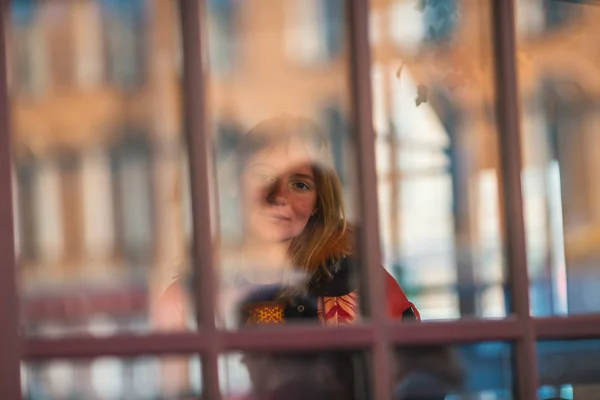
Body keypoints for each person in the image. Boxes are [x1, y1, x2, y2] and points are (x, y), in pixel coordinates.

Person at [155, 116, 420, 398]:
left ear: (320, 199)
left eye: (300, 185)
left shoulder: (362, 283)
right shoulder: (185, 300)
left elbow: (418, 374)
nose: (280, 196)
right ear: (235, 186)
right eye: (264, 177)